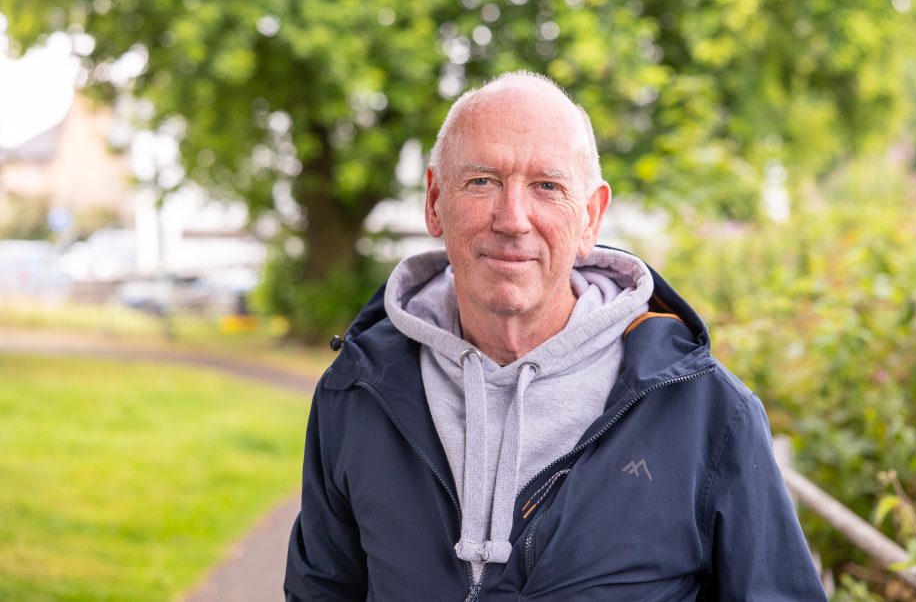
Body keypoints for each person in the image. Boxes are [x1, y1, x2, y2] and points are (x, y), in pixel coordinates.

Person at [284, 72, 827, 601]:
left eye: (547, 186)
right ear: (434, 202)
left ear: (591, 217)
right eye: (482, 181)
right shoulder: (356, 393)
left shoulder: (709, 413)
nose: (513, 218)